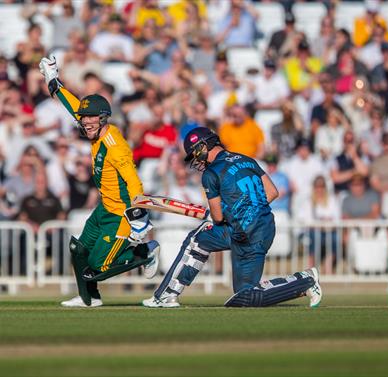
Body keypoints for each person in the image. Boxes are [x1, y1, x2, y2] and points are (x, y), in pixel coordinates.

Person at [142, 127, 322, 308]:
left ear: (203, 146)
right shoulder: (247, 160)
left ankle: (166, 295)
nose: (195, 160)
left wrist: (230, 214)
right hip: (264, 228)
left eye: (195, 153)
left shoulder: (211, 173)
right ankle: (304, 280)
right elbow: (272, 192)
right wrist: (248, 210)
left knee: (198, 239)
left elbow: (218, 218)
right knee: (245, 296)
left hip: (241, 231)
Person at [39, 56, 160, 307]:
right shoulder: (93, 128)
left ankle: (146, 252)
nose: (85, 122)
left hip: (121, 214)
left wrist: (138, 215)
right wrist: (53, 81)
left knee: (98, 266)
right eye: (84, 118)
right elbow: (74, 106)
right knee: (79, 251)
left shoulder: (115, 146)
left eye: (91, 118)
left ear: (103, 118)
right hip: (105, 207)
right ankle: (89, 298)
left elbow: (133, 181)